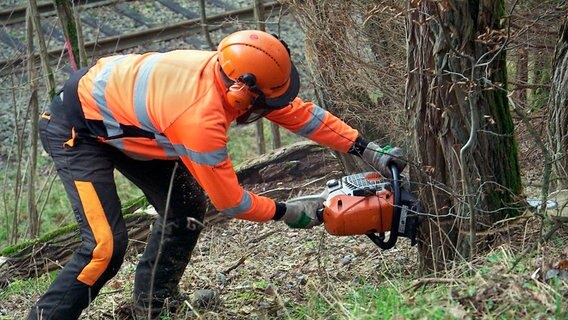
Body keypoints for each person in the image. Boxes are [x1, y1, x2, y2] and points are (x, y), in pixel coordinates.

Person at [29, 29, 405, 319]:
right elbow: (230, 201)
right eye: (263, 104)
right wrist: (287, 211)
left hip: (136, 125)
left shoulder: (229, 70)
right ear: (241, 94)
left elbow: (296, 112)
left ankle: (154, 304)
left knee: (186, 212)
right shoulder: (200, 122)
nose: (270, 109)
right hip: (78, 131)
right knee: (105, 247)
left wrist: (365, 148)